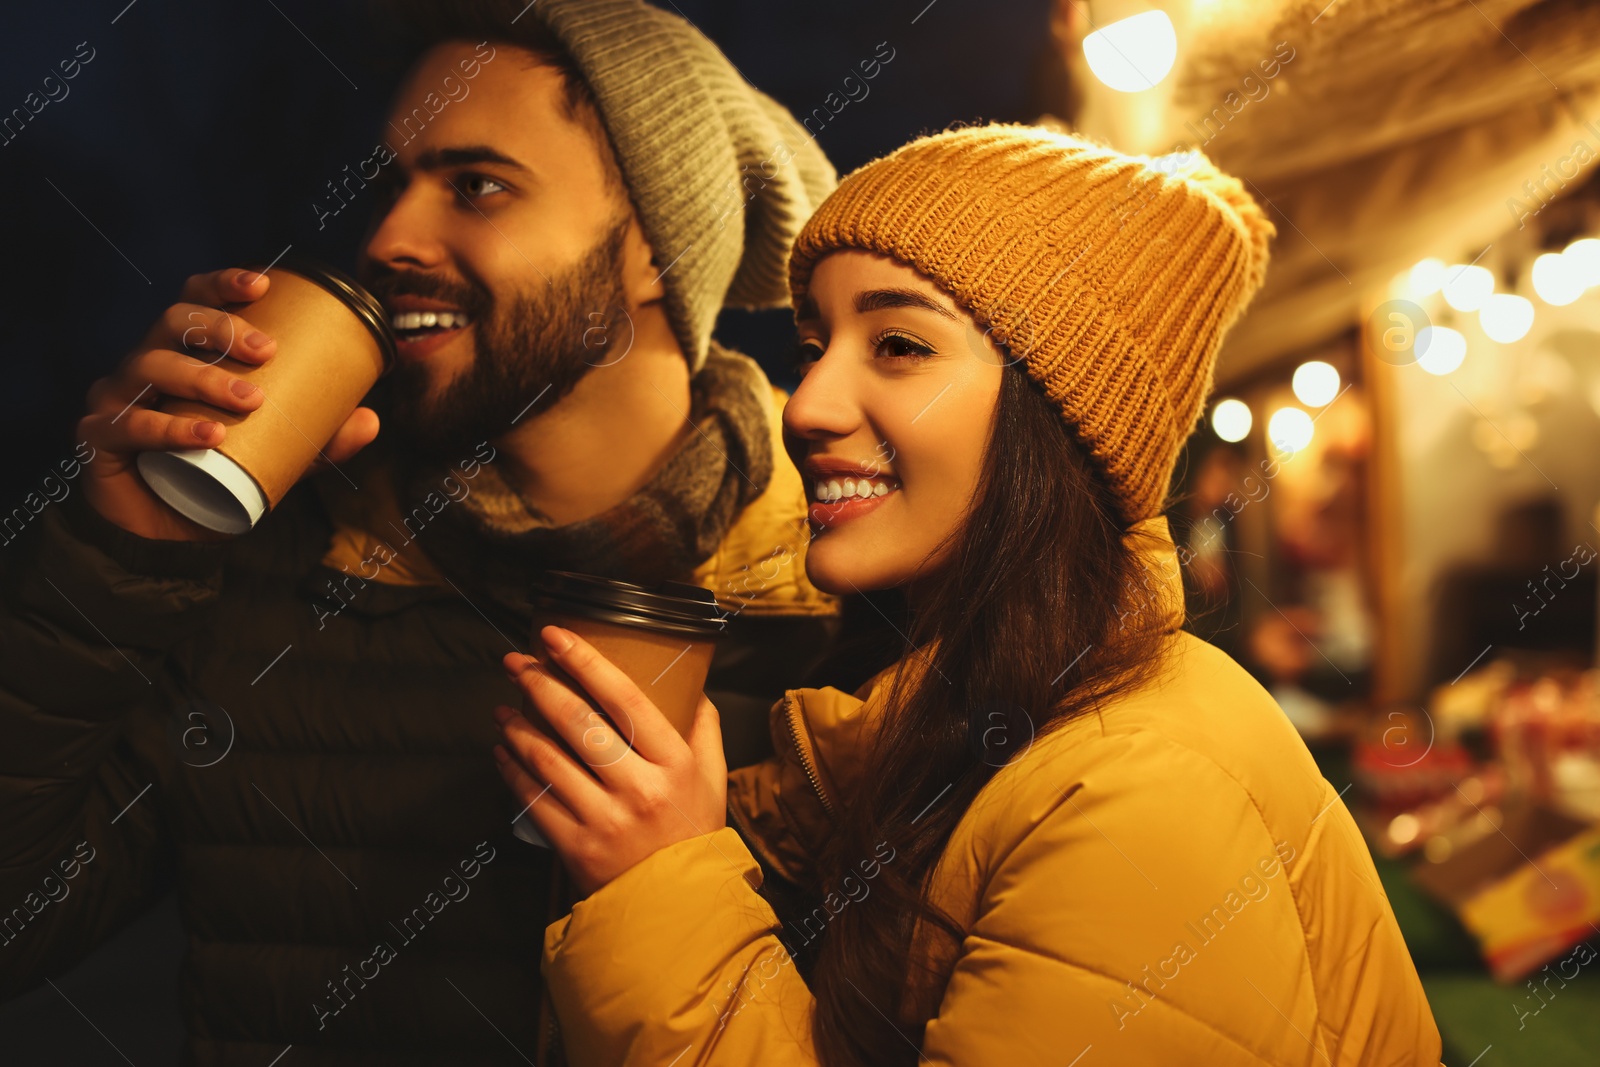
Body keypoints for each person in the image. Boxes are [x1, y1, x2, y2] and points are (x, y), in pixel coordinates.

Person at [494, 124, 1444, 1065]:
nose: (808, 403)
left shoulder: (1138, 785)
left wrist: (658, 887)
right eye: (816, 343)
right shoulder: (943, 715)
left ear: (1064, 414)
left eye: (899, 343)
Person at [0, 1, 836, 1063]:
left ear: (657, 252)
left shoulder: (844, 600)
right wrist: (111, 550)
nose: (390, 238)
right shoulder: (279, 564)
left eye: (477, 185)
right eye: (396, 182)